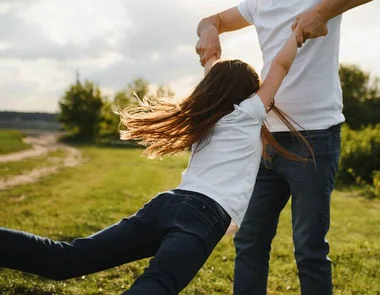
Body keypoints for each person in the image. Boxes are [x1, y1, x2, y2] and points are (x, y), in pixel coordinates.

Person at [0, 28, 308, 295]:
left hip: (167, 205)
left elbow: (216, 78)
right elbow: (280, 64)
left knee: (68, 258)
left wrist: (210, 53)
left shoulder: (204, 115)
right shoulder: (248, 113)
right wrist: (298, 34)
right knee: (159, 283)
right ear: (249, 94)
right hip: (202, 216)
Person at [195, 0, 380, 294]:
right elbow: (214, 20)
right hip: (267, 140)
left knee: (309, 249)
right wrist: (208, 30)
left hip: (315, 141)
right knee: (249, 241)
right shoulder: (259, 3)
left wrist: (323, 11)